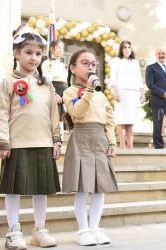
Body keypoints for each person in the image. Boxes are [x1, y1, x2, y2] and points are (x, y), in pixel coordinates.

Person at [0, 31, 61, 249]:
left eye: (38, 53)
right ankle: (13, 231)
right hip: (17, 144)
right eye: (28, 52)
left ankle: (39, 229)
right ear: (16, 53)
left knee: (40, 188)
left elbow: (53, 113)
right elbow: (2, 114)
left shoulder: (47, 84)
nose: (34, 58)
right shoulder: (7, 82)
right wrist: (4, 141)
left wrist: (56, 139)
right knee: (13, 188)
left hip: (43, 142)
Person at [62, 49, 118, 246]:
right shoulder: (70, 92)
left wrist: (112, 141)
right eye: (85, 63)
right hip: (81, 138)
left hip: (99, 139)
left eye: (93, 64)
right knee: (82, 187)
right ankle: (83, 229)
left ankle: (95, 227)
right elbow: (77, 112)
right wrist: (88, 91)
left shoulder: (102, 95)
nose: (90, 67)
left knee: (100, 187)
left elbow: (109, 120)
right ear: (73, 68)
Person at [109, 40, 145, 148]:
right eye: (125, 47)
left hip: (133, 93)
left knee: (130, 120)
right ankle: (122, 144)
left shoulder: (134, 62)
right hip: (121, 92)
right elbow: (113, 77)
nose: (127, 49)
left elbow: (139, 79)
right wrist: (115, 92)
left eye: (129, 47)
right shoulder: (116, 60)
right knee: (121, 119)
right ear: (121, 49)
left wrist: (142, 93)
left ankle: (130, 145)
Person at [145, 48, 166, 149]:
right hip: (158, 100)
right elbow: (150, 84)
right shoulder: (151, 68)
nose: (161, 55)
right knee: (158, 124)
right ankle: (159, 145)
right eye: (159, 53)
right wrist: (163, 94)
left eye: (163, 53)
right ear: (155, 55)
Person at [42, 39, 68, 139]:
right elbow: (46, 80)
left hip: (63, 91)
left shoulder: (64, 65)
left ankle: (59, 140)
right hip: (53, 89)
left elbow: (66, 81)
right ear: (52, 49)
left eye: (62, 48)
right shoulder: (47, 63)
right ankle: (51, 140)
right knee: (53, 116)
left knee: (62, 117)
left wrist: (65, 94)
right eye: (58, 48)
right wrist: (55, 93)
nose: (61, 50)